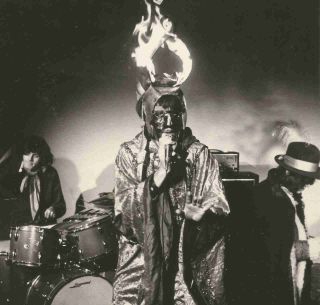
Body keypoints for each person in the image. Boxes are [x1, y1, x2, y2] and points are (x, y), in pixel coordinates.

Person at [113, 85, 230, 305]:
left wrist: (202, 217)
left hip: (185, 259)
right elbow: (123, 216)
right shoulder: (129, 153)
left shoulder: (198, 154)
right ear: (147, 116)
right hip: (143, 263)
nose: (168, 122)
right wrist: (158, 178)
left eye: (175, 113)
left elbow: (218, 204)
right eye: (160, 115)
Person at [248, 142, 320, 305]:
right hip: (270, 290)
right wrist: (310, 248)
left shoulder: (289, 195)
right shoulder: (265, 197)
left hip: (292, 282)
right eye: (302, 180)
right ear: (287, 171)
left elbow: (287, 234)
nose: (305, 186)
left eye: (308, 181)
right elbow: (268, 250)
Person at [7, 135, 66, 226]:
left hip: (46, 228)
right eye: (27, 154)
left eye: (36, 156)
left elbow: (61, 205)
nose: (30, 159)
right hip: (22, 231)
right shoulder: (13, 174)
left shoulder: (50, 173)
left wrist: (53, 209)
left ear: (42, 157)